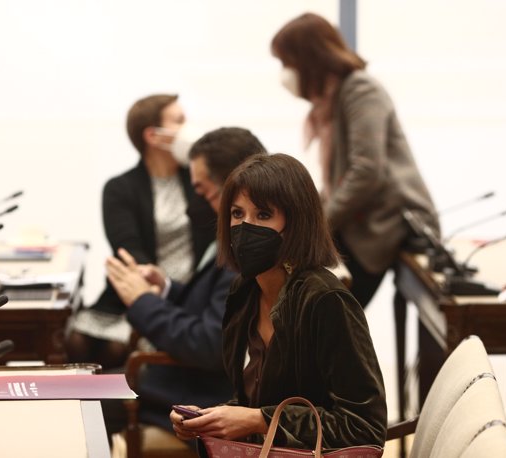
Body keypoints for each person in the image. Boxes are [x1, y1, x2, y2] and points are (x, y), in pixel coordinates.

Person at [170, 153, 387, 450]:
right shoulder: (244, 292)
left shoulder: (326, 300)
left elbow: (365, 427)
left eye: (262, 215)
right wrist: (212, 418)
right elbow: (256, 401)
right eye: (237, 214)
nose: (245, 227)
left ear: (296, 221)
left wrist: (260, 420)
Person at [101, 127, 268, 437]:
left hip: (197, 395)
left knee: (78, 401)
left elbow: (209, 345)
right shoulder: (236, 240)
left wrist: (143, 302)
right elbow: (212, 308)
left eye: (205, 193)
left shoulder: (247, 252)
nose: (201, 204)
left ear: (237, 184)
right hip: (174, 379)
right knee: (79, 387)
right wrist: (165, 288)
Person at [271, 12, 440, 307]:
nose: (285, 73)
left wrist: (317, 225)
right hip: (363, 221)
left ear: (308, 59)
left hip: (384, 224)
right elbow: (338, 180)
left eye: (287, 62)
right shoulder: (333, 100)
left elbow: (366, 173)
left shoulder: (360, 90)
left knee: (327, 313)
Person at [65, 94, 213, 368]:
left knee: (118, 349)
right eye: (179, 121)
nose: (188, 128)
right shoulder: (120, 188)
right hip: (137, 287)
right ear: (153, 136)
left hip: (189, 294)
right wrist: (149, 290)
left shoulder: (200, 182)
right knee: (76, 343)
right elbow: (128, 249)